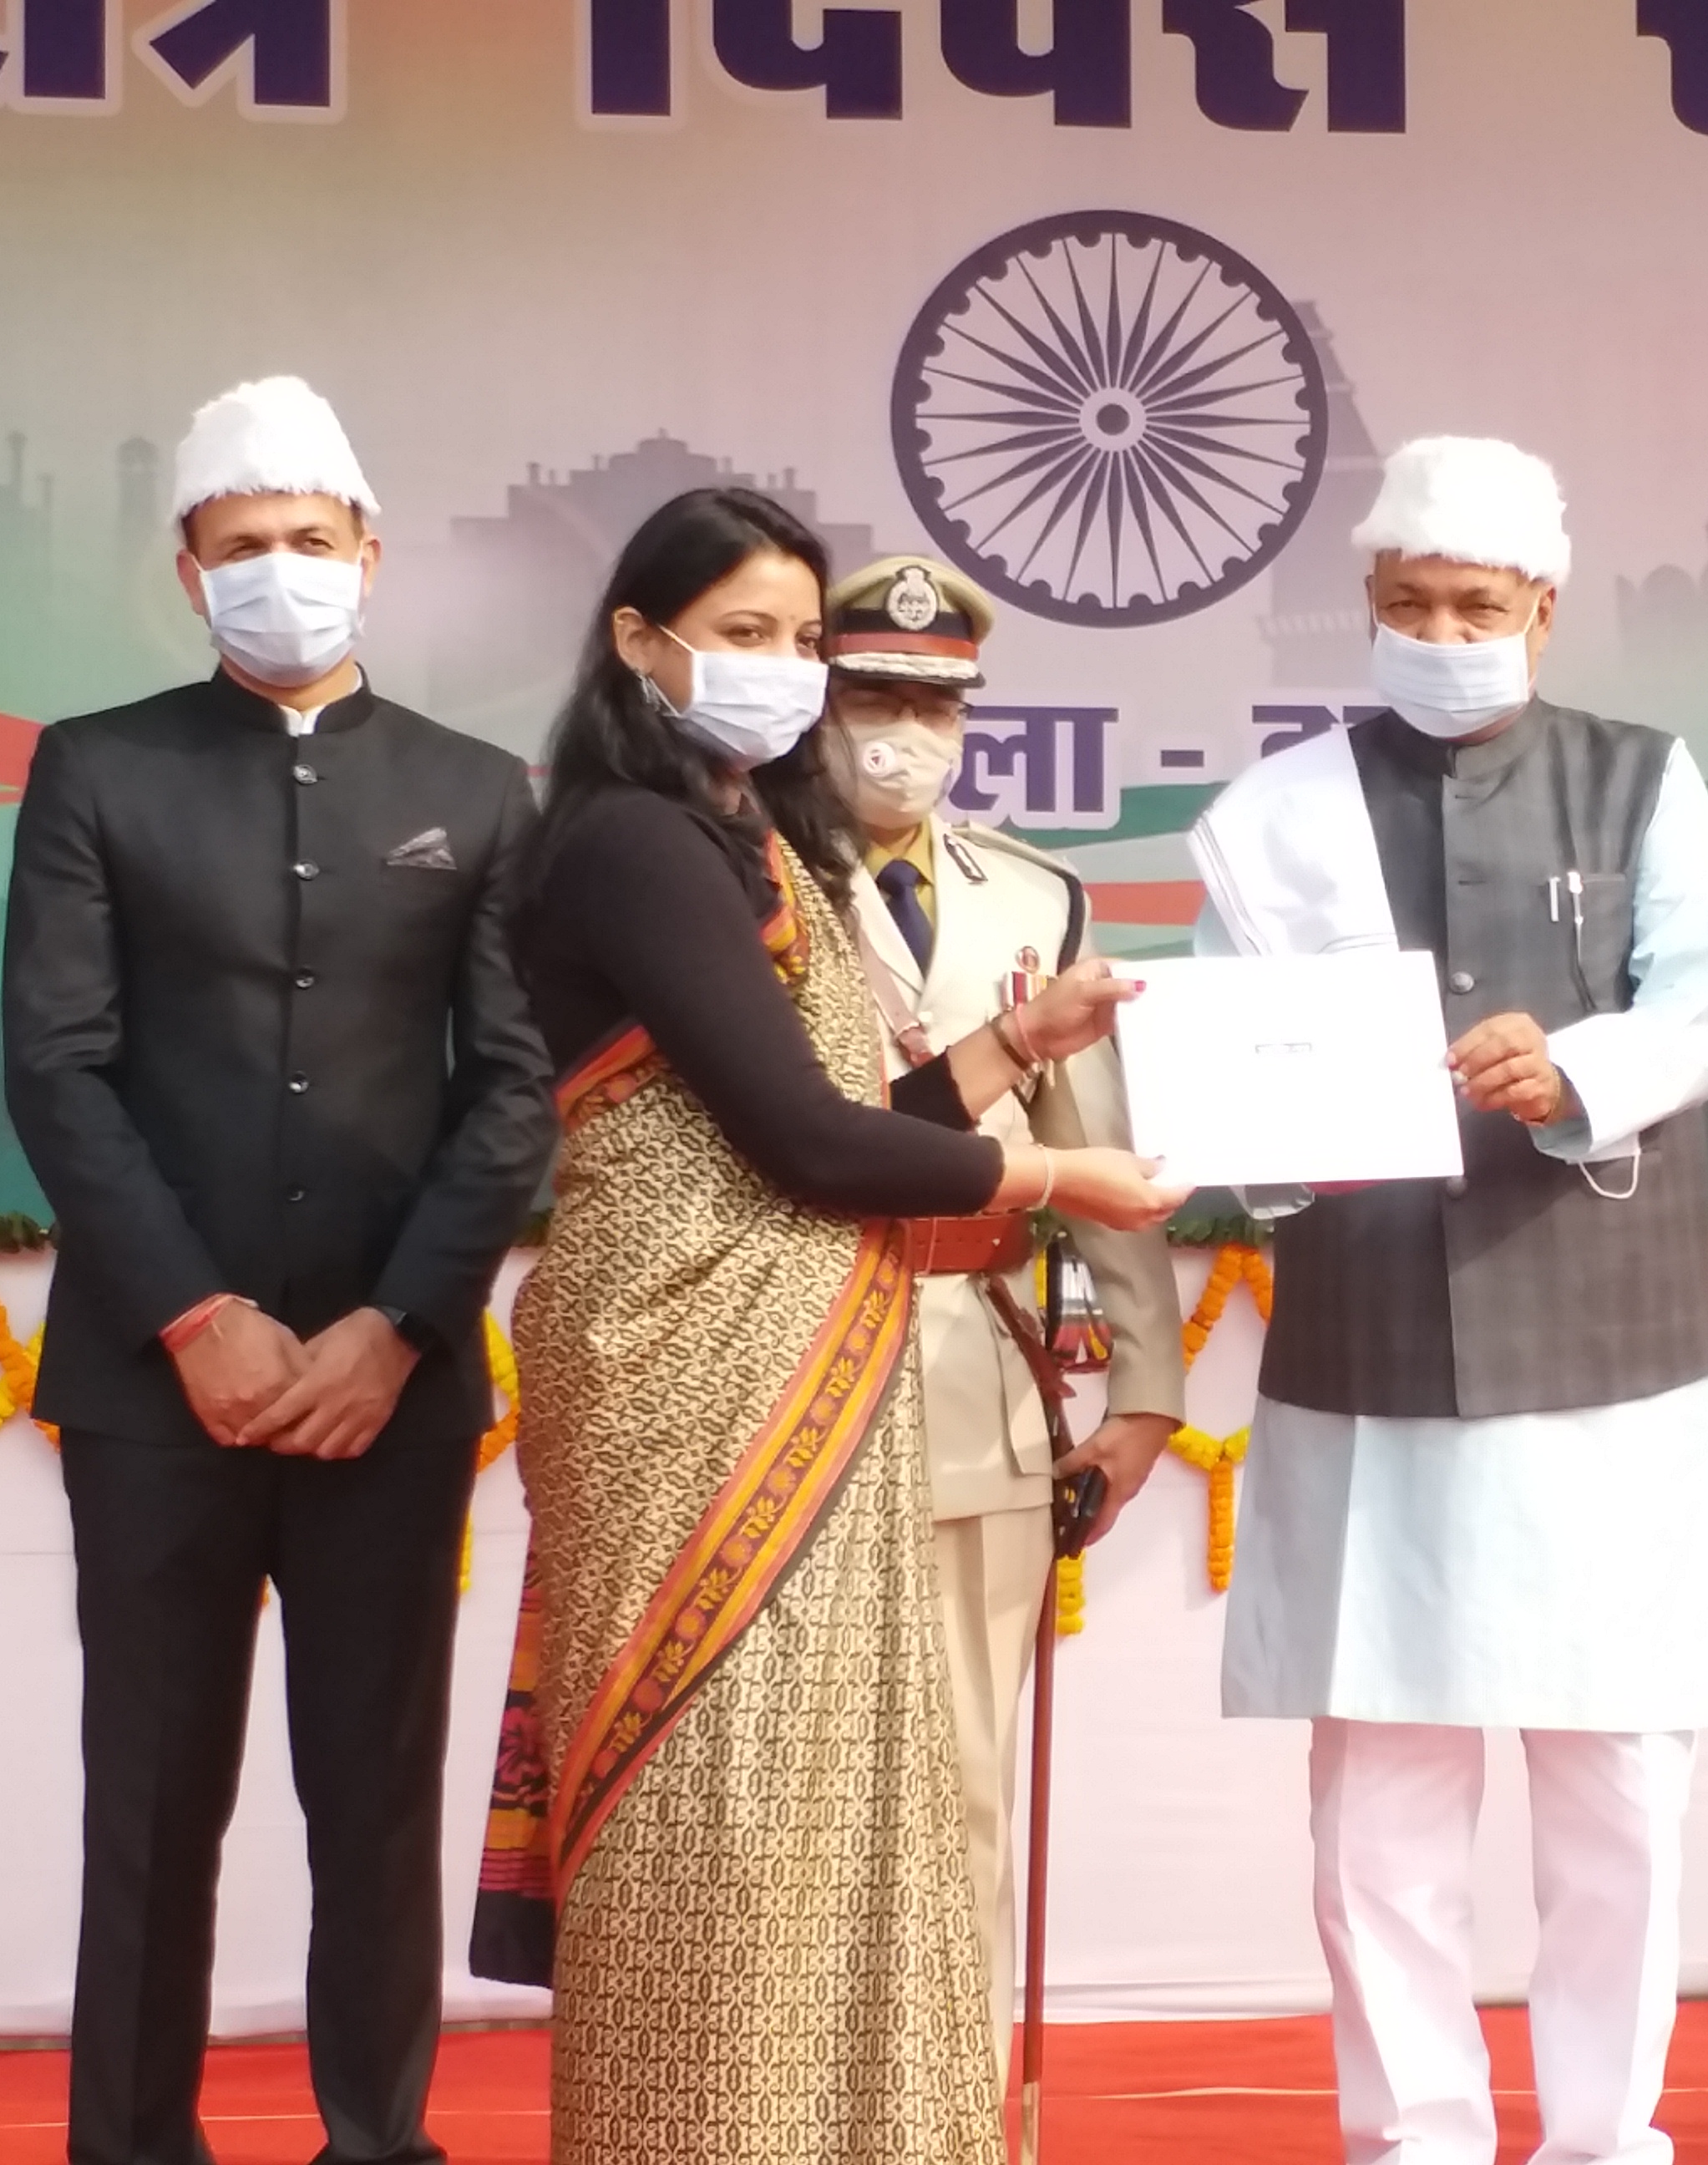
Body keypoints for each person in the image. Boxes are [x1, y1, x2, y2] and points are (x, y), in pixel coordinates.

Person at [474, 488, 1181, 2165]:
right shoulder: (637, 840)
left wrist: (1025, 1049)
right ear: (641, 644)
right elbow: (806, 1142)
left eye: (799, 640)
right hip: (690, 1367)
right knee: (718, 1818)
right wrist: (1056, 1164)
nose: (783, 673)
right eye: (742, 637)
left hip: (805, 1352)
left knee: (845, 1813)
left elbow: (845, 1111)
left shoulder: (744, 839)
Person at [1186, 437, 1708, 2165]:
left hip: (1609, 1346)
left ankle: (1606, 2140)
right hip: (1371, 1347)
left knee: (1619, 1799)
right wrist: (1280, 1128)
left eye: (1476, 604)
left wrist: (1574, 1065)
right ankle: (1415, 2142)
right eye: (1410, 605)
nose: (1443, 632)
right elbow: (1233, 1064)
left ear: (1544, 606)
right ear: (1367, 607)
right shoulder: (1277, 816)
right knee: (1383, 1800)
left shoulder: (1640, 779)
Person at [0, 378, 553, 2165]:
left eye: (310, 543)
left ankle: (376, 2141)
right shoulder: (99, 766)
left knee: (374, 1797)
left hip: (389, 1392)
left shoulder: (476, 792)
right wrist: (195, 1315)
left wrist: (396, 1330)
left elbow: (515, 1093)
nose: (280, 575)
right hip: (155, 1385)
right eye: (243, 549)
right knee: (151, 1804)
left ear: (371, 555)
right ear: (186, 570)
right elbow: (58, 1068)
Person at [808, 553, 1193, 2027]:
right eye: (871, 693)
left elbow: (1100, 1151)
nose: (901, 727)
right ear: (816, 696)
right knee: (791, 1796)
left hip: (975, 1369)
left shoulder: (1036, 892)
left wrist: (1144, 1394)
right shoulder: (733, 878)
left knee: (968, 1780)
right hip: (790, 1360)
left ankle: (953, 2107)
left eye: (935, 700)